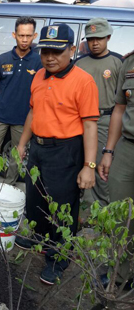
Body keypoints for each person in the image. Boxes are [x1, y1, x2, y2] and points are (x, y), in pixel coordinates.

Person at [16, 24, 99, 285]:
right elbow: (32, 112)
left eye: (57, 51)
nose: (50, 57)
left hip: (66, 151)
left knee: (63, 206)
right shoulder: (39, 75)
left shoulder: (83, 81)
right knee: (35, 197)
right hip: (38, 149)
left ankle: (59, 257)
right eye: (45, 51)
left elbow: (89, 125)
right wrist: (22, 144)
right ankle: (38, 238)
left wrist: (89, 166)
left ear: (72, 50)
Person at [0, 16, 42, 185]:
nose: (24, 39)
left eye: (28, 36)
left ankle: (8, 186)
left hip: (23, 119)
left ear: (34, 36)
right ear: (14, 35)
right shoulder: (2, 59)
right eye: (21, 35)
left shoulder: (39, 62)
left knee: (17, 156)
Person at [75, 18, 123, 206]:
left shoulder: (118, 62)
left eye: (100, 38)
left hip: (104, 120)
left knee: (99, 166)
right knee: (78, 162)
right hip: (79, 120)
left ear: (108, 37)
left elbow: (122, 101)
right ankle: (78, 207)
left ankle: (101, 210)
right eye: (91, 38)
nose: (95, 43)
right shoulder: (79, 63)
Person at [98, 49, 134, 285]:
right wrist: (109, 152)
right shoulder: (129, 62)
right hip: (128, 148)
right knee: (121, 215)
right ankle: (120, 276)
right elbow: (119, 110)